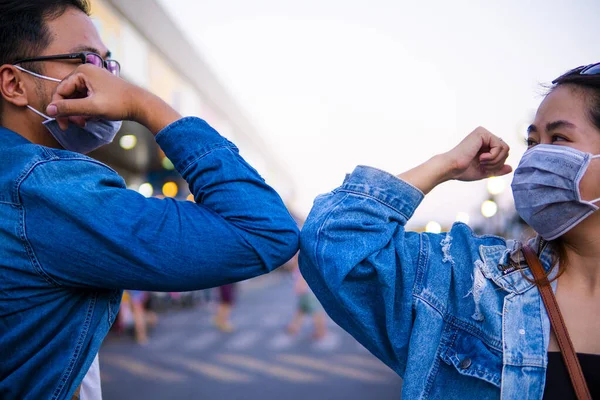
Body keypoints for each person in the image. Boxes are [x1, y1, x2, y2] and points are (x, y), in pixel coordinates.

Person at [0, 1, 299, 399]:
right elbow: (264, 231)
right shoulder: (48, 190)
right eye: (85, 60)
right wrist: (145, 103)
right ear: (14, 84)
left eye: (109, 65)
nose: (104, 79)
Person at [299, 63, 600, 399]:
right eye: (532, 141)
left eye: (558, 138)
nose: (536, 156)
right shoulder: (475, 280)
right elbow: (332, 242)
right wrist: (444, 166)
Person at [286, 261, 327, 340]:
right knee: (301, 311)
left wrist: (300, 287)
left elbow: (303, 279)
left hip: (308, 294)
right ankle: (294, 327)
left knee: (316, 313)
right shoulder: (297, 268)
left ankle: (321, 331)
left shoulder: (302, 266)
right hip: (304, 295)